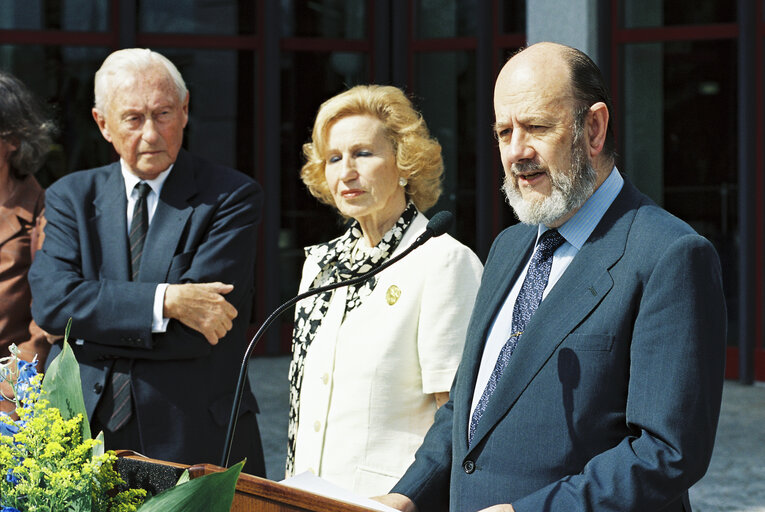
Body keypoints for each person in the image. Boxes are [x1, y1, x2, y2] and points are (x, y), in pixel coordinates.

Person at [378, 42, 727, 512]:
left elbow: (666, 452)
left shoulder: (670, 255)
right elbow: (469, 407)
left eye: (537, 127)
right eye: (504, 132)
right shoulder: (509, 246)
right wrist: (407, 494)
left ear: (594, 128)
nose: (517, 152)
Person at [28, 48, 266, 476]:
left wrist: (84, 328)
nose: (152, 134)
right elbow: (50, 303)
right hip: (77, 437)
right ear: (103, 124)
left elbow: (202, 332)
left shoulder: (230, 196)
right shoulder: (69, 197)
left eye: (164, 114)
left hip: (193, 439)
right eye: (134, 119)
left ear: (186, 109)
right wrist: (166, 302)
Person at [287, 84, 483, 496]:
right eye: (334, 159)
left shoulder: (442, 261)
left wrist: (406, 497)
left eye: (363, 153)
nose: (346, 172)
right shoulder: (319, 265)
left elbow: (457, 413)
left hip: (391, 502)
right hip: (305, 497)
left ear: (405, 161)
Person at [0, 72, 53, 413]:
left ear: (13, 139)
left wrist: (10, 385)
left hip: (8, 398)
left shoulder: (44, 210)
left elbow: (47, 318)